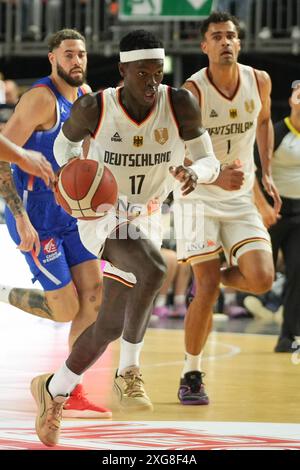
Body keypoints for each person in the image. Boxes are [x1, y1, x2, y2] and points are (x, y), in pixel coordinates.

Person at [28, 28, 242, 447]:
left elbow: (209, 162)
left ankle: (54, 388)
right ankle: (129, 372)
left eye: (157, 72)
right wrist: (76, 186)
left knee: (108, 323)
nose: (152, 82)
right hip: (102, 214)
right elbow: (62, 153)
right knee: (155, 266)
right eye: (143, 72)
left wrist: (192, 173)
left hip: (146, 216)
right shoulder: (95, 107)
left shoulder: (179, 102)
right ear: (123, 70)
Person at [0, 29, 111, 418]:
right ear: (52, 58)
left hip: (71, 214)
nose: (76, 61)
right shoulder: (39, 100)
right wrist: (19, 218)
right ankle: (3, 293)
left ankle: (68, 386)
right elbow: (2, 158)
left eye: (81, 54)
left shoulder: (86, 97)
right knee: (65, 309)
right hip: (36, 217)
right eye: (68, 54)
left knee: (93, 298)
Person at [173, 11, 281, 405]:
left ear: (240, 43)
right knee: (206, 289)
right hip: (197, 194)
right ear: (204, 46)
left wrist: (266, 171)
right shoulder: (192, 92)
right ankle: (191, 374)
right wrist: (215, 176)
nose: (225, 42)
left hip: (239, 196)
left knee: (262, 278)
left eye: (230, 36)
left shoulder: (260, 81)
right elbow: (180, 155)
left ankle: (208, 278)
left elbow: (266, 121)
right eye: (216, 36)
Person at [249, 84, 300, 352]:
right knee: (259, 272)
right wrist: (263, 206)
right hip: (271, 211)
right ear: (291, 100)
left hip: (298, 214)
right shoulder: (278, 132)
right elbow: (252, 168)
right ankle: (261, 300)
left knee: (298, 271)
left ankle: (287, 336)